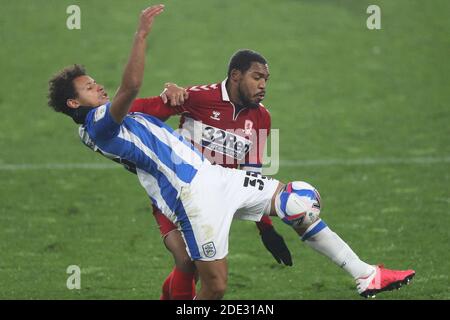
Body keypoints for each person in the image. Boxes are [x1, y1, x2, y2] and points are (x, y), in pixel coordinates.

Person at [47, 4, 415, 299]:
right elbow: (131, 89)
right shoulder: (98, 124)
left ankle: (367, 276)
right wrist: (143, 37)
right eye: (89, 86)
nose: (99, 87)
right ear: (73, 102)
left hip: (220, 179)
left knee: (298, 201)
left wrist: (265, 227)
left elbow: (252, 166)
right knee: (211, 282)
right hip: (189, 195)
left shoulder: (261, 118)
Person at [129, 49, 292, 300]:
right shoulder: (198, 98)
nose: (263, 85)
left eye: (266, 80)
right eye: (257, 77)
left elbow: (252, 176)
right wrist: (105, 116)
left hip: (212, 202)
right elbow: (140, 109)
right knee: (186, 260)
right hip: (173, 192)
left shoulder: (261, 117)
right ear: (236, 76)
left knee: (192, 267)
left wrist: (265, 229)